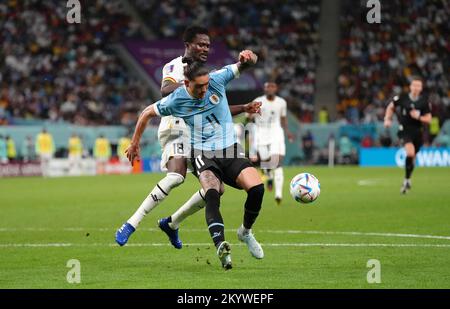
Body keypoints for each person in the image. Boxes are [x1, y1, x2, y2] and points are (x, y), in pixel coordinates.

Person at [116, 26, 262, 249]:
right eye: (200, 44)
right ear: (188, 45)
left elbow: (213, 107)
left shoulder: (206, 76)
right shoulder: (175, 66)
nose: (205, 48)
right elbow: (165, 90)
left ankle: (172, 224)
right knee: (176, 176)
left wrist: (244, 103)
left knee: (215, 190)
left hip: (198, 137)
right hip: (175, 129)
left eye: (207, 45)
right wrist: (189, 82)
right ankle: (131, 223)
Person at [247, 81, 294, 205]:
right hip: (261, 133)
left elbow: (283, 119)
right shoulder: (258, 100)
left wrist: (288, 131)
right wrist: (251, 115)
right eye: (268, 86)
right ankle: (269, 175)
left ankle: (278, 194)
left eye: (272, 86)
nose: (270, 89)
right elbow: (248, 116)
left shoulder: (281, 102)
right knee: (267, 162)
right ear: (264, 89)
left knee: (277, 163)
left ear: (276, 88)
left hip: (276, 133)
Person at [384, 76, 432, 194]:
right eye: (414, 85)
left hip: (418, 131)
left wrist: (419, 117)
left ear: (421, 88)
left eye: (418, 86)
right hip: (405, 130)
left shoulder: (424, 102)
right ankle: (406, 180)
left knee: (413, 157)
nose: (416, 88)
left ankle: (407, 180)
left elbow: (429, 119)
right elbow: (391, 106)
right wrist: (387, 119)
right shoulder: (403, 97)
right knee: (410, 152)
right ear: (410, 87)